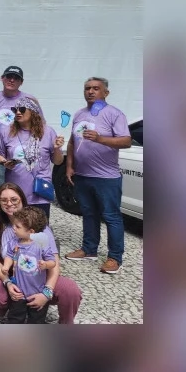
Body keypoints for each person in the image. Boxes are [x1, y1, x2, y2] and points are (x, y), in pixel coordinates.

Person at [0, 183, 83, 323]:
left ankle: (66, 323)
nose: (9, 203)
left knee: (71, 290)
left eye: (14, 199)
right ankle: (14, 308)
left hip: (39, 277)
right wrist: (8, 283)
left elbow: (54, 263)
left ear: (22, 199)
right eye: (3, 200)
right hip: (15, 277)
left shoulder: (39, 229)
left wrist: (47, 292)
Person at [64, 77, 133, 274]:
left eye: (96, 88)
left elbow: (127, 141)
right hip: (83, 175)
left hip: (106, 177)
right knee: (88, 213)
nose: (91, 92)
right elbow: (71, 142)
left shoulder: (114, 114)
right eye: (87, 88)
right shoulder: (79, 114)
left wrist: (101, 138)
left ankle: (114, 257)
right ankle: (89, 249)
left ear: (106, 93)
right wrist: (69, 166)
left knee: (111, 216)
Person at [0, 97, 65, 218]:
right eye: (14, 109)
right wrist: (4, 162)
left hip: (39, 192)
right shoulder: (7, 131)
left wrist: (57, 148)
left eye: (22, 109)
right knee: (17, 230)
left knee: (38, 232)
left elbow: (58, 161)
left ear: (33, 111)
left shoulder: (48, 132)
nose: (17, 112)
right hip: (15, 193)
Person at [0, 207, 61, 324]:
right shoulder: (14, 242)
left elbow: (53, 262)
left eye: (17, 227)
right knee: (15, 318)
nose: (13, 229)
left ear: (31, 231)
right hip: (19, 291)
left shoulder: (42, 244)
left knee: (37, 320)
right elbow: (9, 256)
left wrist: (45, 264)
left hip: (38, 290)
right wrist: (6, 266)